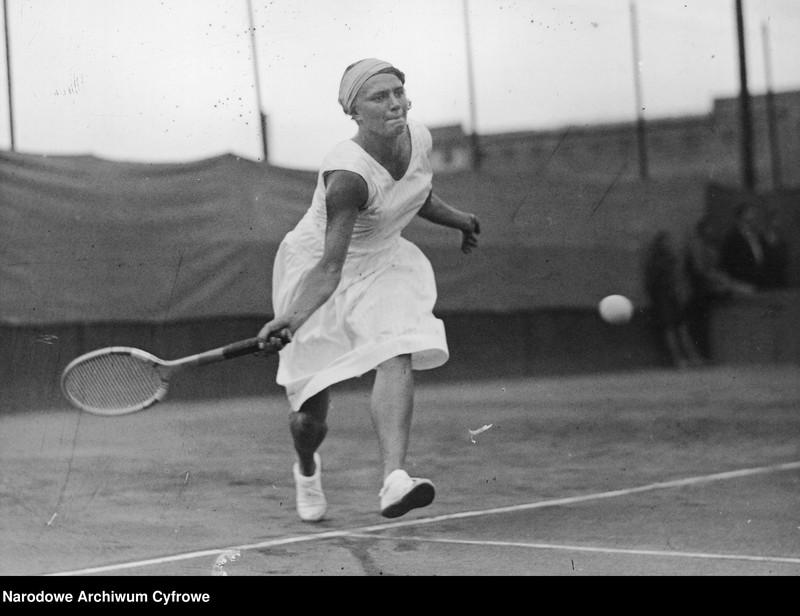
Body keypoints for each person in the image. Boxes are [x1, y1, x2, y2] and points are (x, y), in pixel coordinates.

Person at [256, 58, 480, 522]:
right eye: (379, 97)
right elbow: (329, 267)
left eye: (398, 90)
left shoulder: (419, 137)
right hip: (316, 272)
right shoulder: (347, 177)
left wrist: (459, 219)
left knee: (396, 349)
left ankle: (394, 479)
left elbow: (414, 194)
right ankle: (305, 466)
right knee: (308, 418)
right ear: (354, 113)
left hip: (383, 264)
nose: (394, 102)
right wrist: (292, 320)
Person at [683, 215, 755, 361]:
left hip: (705, 289)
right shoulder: (697, 245)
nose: (712, 231)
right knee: (700, 326)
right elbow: (700, 271)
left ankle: (706, 355)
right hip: (699, 292)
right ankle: (702, 356)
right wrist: (719, 279)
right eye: (709, 229)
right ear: (703, 230)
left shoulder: (708, 246)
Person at [643, 230, 704, 368]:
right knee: (674, 328)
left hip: (670, 297)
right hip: (666, 298)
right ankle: (682, 359)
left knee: (679, 328)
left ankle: (689, 358)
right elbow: (665, 280)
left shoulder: (667, 259)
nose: (671, 244)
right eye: (668, 241)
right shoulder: (662, 261)